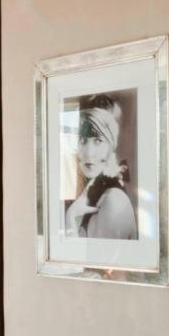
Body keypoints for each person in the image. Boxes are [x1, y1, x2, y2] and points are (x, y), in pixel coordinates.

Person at [63, 94, 137, 239]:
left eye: (98, 140)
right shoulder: (87, 190)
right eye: (82, 139)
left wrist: (70, 218)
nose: (89, 152)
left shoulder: (113, 200)